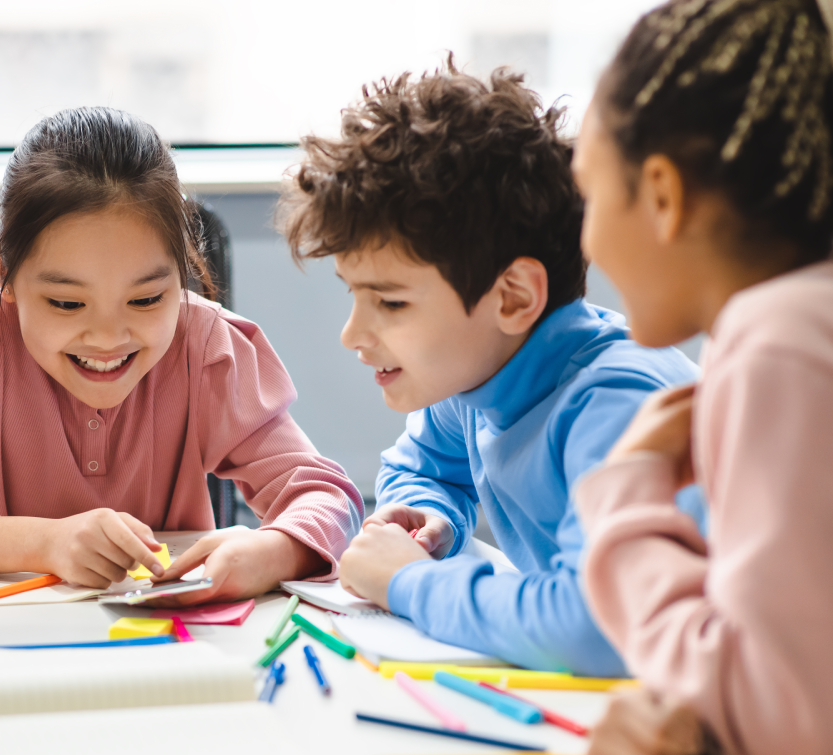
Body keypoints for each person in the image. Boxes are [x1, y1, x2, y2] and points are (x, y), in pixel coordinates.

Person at [0, 107, 363, 603]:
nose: (108, 338)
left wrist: (273, 550)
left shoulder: (206, 348)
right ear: (6, 272)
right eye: (66, 302)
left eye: (147, 299)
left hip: (168, 643)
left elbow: (326, 497)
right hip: (4, 638)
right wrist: (43, 544)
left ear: (183, 270)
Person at [280, 60, 700, 676]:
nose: (354, 335)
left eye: (390, 302)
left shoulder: (617, 405)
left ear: (512, 298)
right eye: (354, 295)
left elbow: (594, 625)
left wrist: (409, 582)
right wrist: (429, 519)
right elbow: (420, 468)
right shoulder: (473, 377)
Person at [571, 0, 833, 752]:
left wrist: (626, 491)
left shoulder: (776, 342)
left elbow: (782, 713)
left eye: (589, 195)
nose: (587, 238)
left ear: (661, 192)